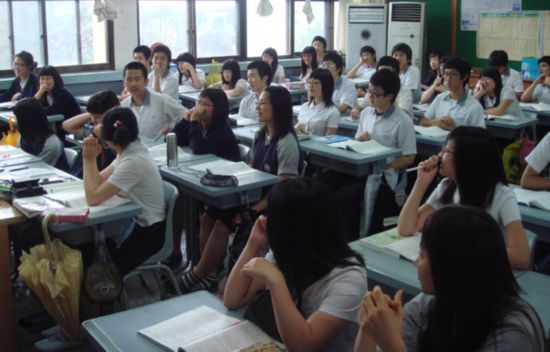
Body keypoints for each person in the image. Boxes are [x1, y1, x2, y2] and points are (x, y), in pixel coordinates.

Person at [355, 206, 545, 352]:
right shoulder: (427, 303)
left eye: (422, 255)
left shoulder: (513, 332)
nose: (416, 262)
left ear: (450, 265)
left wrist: (391, 343)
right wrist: (369, 327)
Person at [224, 177, 368, 352]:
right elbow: (233, 299)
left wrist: (276, 282)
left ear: (291, 230)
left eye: (273, 217)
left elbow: (303, 345)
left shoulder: (348, 279)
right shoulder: (286, 254)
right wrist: (253, 244)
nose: (266, 220)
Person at [397, 126, 530, 269]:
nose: (439, 155)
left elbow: (521, 257)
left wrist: (461, 252)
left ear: (467, 158)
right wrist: (421, 183)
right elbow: (406, 228)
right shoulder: (447, 186)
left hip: (486, 274)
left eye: (446, 151)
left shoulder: (502, 195)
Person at [318, 69, 416, 240]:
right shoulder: (366, 113)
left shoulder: (403, 121)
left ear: (390, 96)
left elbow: (409, 157)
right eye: (369, 91)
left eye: (376, 93)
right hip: (358, 169)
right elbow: (356, 142)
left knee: (344, 197)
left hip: (381, 175)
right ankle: (325, 235)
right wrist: (361, 141)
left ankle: (350, 242)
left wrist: (383, 165)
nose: (370, 97)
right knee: (321, 183)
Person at [82, 107, 166, 276]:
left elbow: (92, 197)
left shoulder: (132, 162)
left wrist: (88, 159)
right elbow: (98, 181)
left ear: (108, 140)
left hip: (148, 234)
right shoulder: (128, 151)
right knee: (87, 247)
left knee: (97, 265)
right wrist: (91, 160)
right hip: (136, 225)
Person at [172, 88, 241, 289]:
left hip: (232, 191)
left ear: (218, 110)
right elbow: (177, 139)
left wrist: (194, 122)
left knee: (219, 222)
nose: (200, 107)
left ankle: (199, 273)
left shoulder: (221, 130)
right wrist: (186, 120)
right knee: (205, 219)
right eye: (199, 102)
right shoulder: (202, 126)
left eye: (206, 104)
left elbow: (199, 148)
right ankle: (209, 271)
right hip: (212, 186)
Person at [120, 61, 187, 141]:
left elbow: (186, 115)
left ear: (146, 82)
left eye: (137, 79)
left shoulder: (162, 100)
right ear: (124, 83)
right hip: (135, 150)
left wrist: (173, 127)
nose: (133, 84)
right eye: (129, 80)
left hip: (159, 149)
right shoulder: (123, 107)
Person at [62, 90, 119, 177]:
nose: (93, 120)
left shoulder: (118, 140)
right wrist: (92, 112)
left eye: (97, 117)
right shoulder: (93, 132)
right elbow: (67, 125)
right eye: (92, 116)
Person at [419, 57, 485, 130]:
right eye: (446, 74)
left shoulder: (474, 106)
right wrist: (436, 122)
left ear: (464, 77)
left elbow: (480, 137)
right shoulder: (440, 98)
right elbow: (422, 122)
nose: (448, 78)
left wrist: (453, 129)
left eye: (454, 75)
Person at [13, 98, 68, 170]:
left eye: (18, 119)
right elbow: (18, 157)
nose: (15, 122)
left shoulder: (51, 144)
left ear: (26, 121)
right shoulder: (25, 135)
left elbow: (37, 170)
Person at [296, 68, 339, 136]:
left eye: (316, 83)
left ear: (326, 85)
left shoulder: (333, 112)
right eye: (309, 82)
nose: (310, 86)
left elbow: (328, 141)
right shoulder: (305, 107)